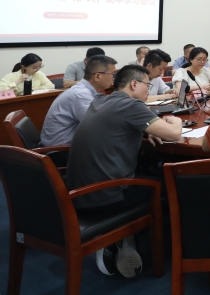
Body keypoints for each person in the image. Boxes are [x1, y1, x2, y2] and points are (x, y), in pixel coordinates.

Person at [66, 65, 182, 278]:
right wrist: (177, 121)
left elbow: (118, 127)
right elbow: (174, 134)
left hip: (79, 190)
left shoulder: (100, 101)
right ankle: (125, 232)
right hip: (109, 194)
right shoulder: (131, 105)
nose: (149, 90)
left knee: (150, 166)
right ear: (134, 84)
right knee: (176, 182)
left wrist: (145, 129)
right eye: (147, 85)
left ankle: (125, 234)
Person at [39, 55, 117, 147]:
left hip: (71, 145)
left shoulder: (86, 90)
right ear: (97, 76)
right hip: (61, 149)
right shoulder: (80, 95)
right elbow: (98, 125)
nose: (113, 78)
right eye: (112, 74)